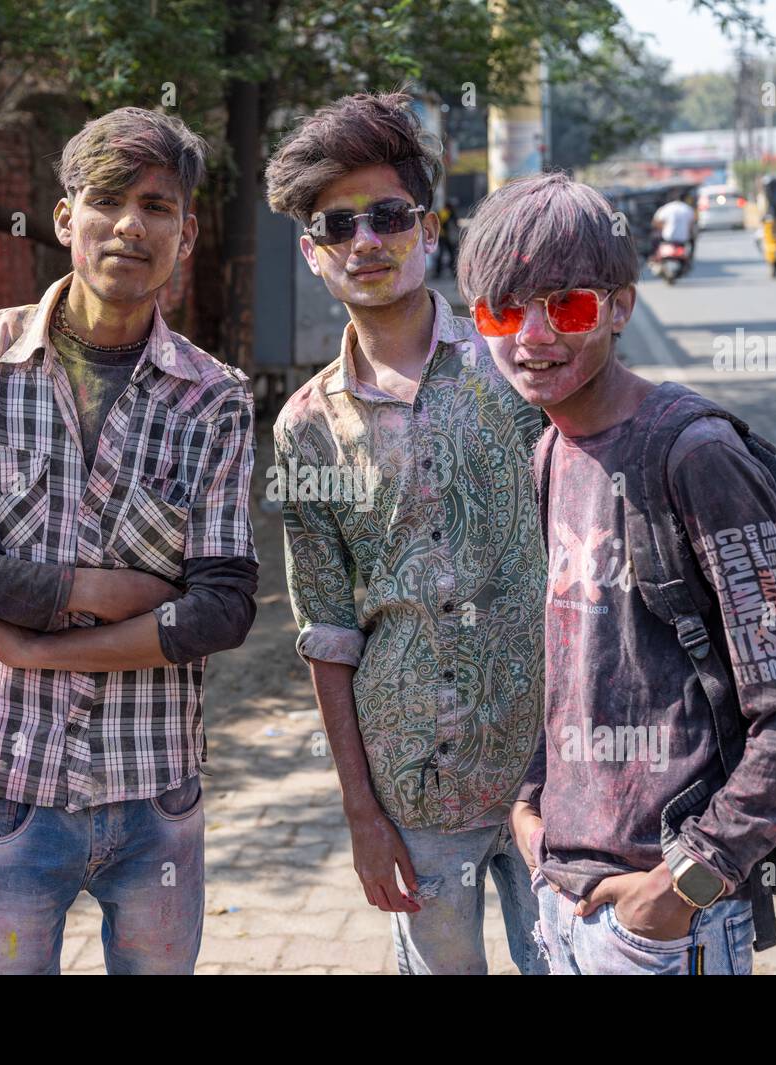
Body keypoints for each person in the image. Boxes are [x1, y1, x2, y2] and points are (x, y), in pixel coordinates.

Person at [0, 107, 258, 974]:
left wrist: (30, 642)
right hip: (13, 789)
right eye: (107, 199)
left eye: (157, 205)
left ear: (186, 233)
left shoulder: (215, 398)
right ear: (65, 219)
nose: (131, 224)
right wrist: (87, 589)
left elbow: (226, 608)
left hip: (156, 792)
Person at [456, 172, 776, 975]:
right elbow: (578, 665)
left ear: (621, 307)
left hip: (661, 924)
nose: (532, 337)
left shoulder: (695, 456)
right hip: (565, 900)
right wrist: (532, 806)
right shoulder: (549, 451)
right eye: (504, 310)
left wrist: (681, 888)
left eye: (565, 305)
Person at [265, 92, 548, 975]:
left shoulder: (520, 368)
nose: (365, 242)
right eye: (337, 225)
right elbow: (326, 627)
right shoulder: (304, 427)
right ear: (313, 255)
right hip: (414, 783)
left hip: (558, 768)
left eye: (387, 215)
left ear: (428, 228)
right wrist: (360, 810)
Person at [651, 192, 697, 265]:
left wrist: (663, 228)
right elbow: (691, 225)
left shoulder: (667, 207)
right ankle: (689, 259)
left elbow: (655, 222)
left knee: (654, 238)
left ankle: (654, 257)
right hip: (683, 238)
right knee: (693, 240)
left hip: (668, 237)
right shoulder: (688, 209)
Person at [435, 198, 460, 278]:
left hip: (441, 236)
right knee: (451, 254)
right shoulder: (450, 213)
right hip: (447, 237)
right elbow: (455, 225)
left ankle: (438, 273)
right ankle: (454, 273)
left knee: (441, 254)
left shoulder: (440, 212)